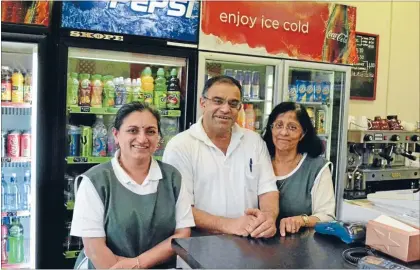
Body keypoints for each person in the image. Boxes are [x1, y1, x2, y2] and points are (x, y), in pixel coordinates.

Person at [70, 102, 195, 269]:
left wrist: (137, 264)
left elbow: (182, 234)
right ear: (116, 135)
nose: (142, 138)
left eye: (150, 131)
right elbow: (94, 248)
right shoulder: (95, 181)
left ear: (158, 138)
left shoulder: (172, 178)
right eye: (132, 130)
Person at [163, 75, 279, 239]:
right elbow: (179, 207)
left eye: (233, 103)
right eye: (218, 101)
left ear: (239, 108)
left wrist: (268, 218)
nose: (225, 109)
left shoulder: (254, 141)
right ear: (203, 103)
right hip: (199, 247)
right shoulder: (180, 146)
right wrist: (230, 225)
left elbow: (268, 190)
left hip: (250, 245)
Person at [262, 102, 336, 237]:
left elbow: (327, 216)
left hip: (300, 247)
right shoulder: (259, 161)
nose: (283, 132)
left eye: (292, 127)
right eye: (279, 125)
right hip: (258, 245)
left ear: (303, 134)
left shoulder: (316, 168)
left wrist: (302, 220)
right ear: (271, 128)